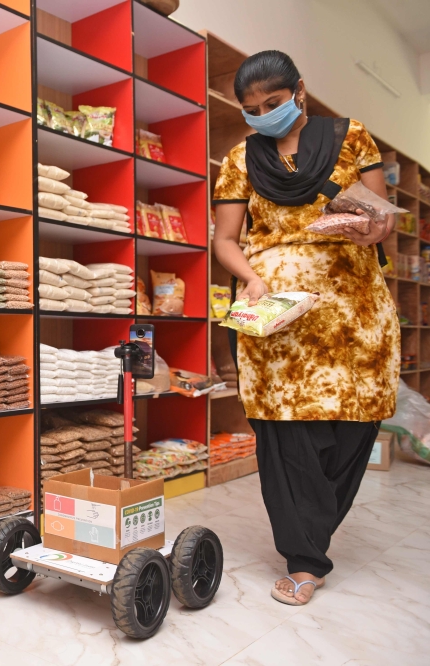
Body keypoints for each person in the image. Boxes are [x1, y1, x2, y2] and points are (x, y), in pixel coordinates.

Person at [212, 50, 400, 606]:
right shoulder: (240, 159)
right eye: (251, 109)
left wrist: (375, 227)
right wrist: (250, 279)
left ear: (299, 91)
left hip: (354, 311)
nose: (263, 115)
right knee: (287, 433)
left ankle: (315, 533)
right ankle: (305, 558)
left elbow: (381, 213)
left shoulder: (351, 137)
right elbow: (226, 239)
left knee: (353, 426)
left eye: (272, 103)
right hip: (278, 319)